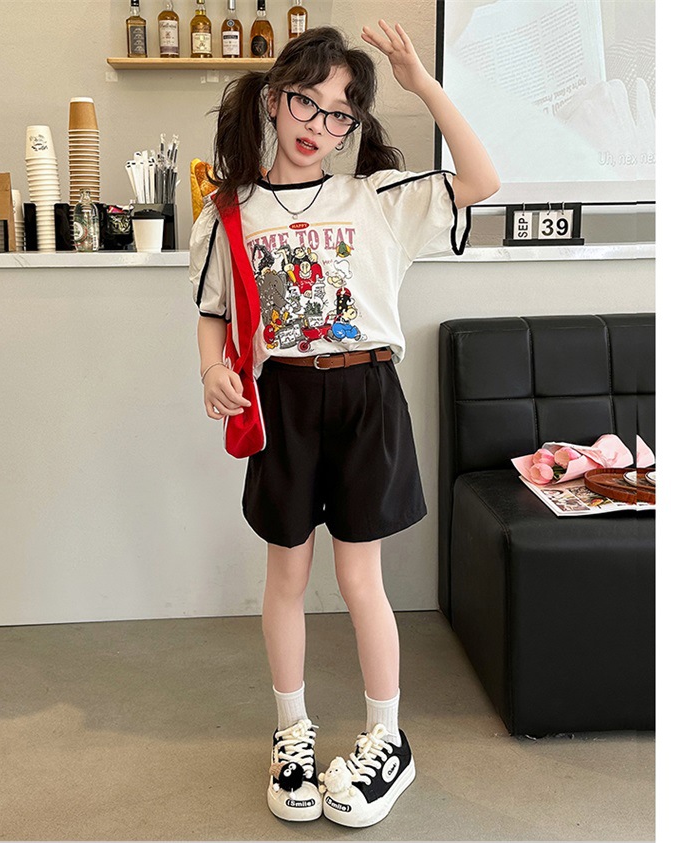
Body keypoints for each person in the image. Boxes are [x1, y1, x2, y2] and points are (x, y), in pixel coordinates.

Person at [189, 22, 499, 828]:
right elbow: (215, 312)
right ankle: (291, 733)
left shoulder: (378, 198)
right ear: (273, 98)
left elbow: (484, 178)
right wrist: (213, 369)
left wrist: (422, 84)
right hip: (285, 402)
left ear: (353, 126)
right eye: (305, 100)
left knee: (363, 580)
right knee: (286, 577)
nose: (318, 124)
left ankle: (386, 739)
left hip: (366, 396)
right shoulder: (229, 212)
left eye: (339, 113)